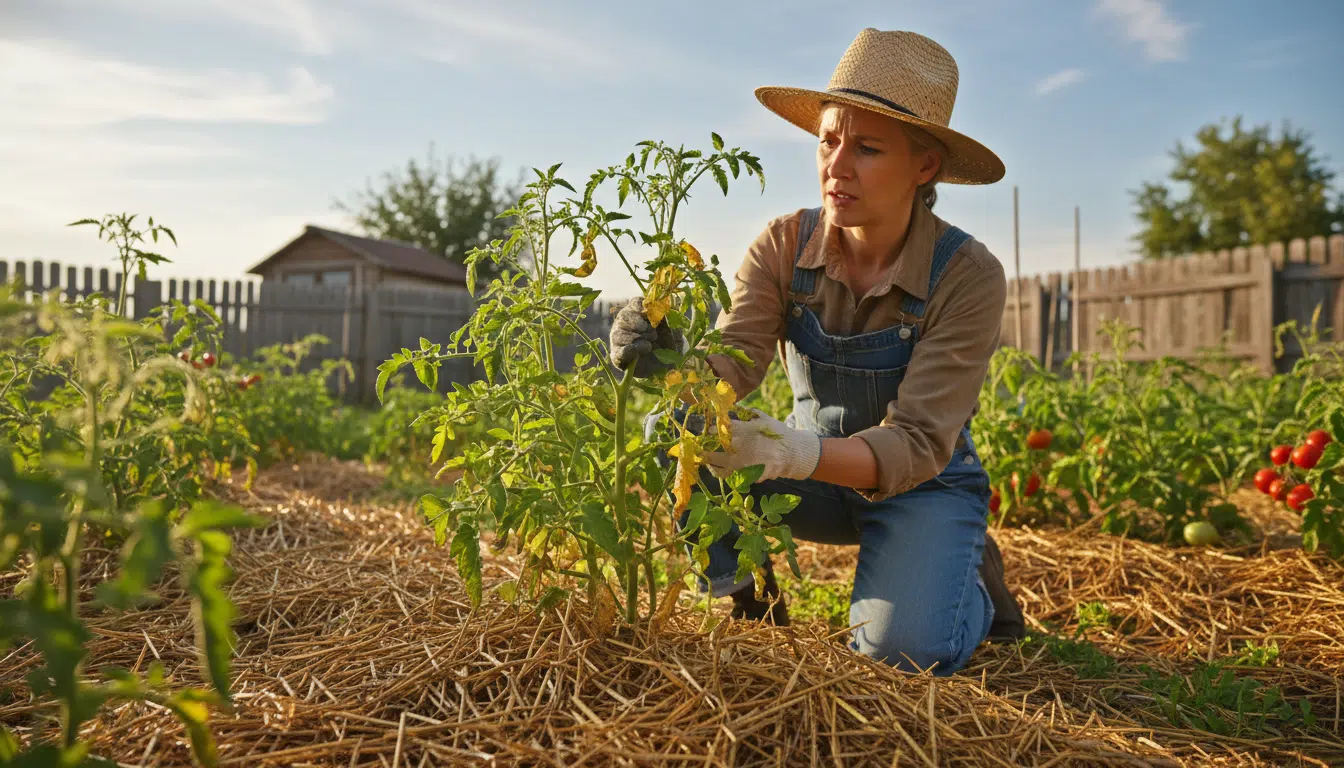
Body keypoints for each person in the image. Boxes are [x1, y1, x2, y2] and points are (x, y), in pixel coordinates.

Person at [608, 28, 1025, 676]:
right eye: (829, 140)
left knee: (900, 655)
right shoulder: (783, 244)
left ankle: (962, 574)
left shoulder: (966, 274)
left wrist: (796, 452)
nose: (837, 164)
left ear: (925, 167)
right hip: (815, 483)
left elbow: (917, 443)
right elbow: (734, 363)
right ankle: (752, 604)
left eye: (867, 147)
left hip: (922, 489)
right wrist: (667, 357)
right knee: (676, 427)